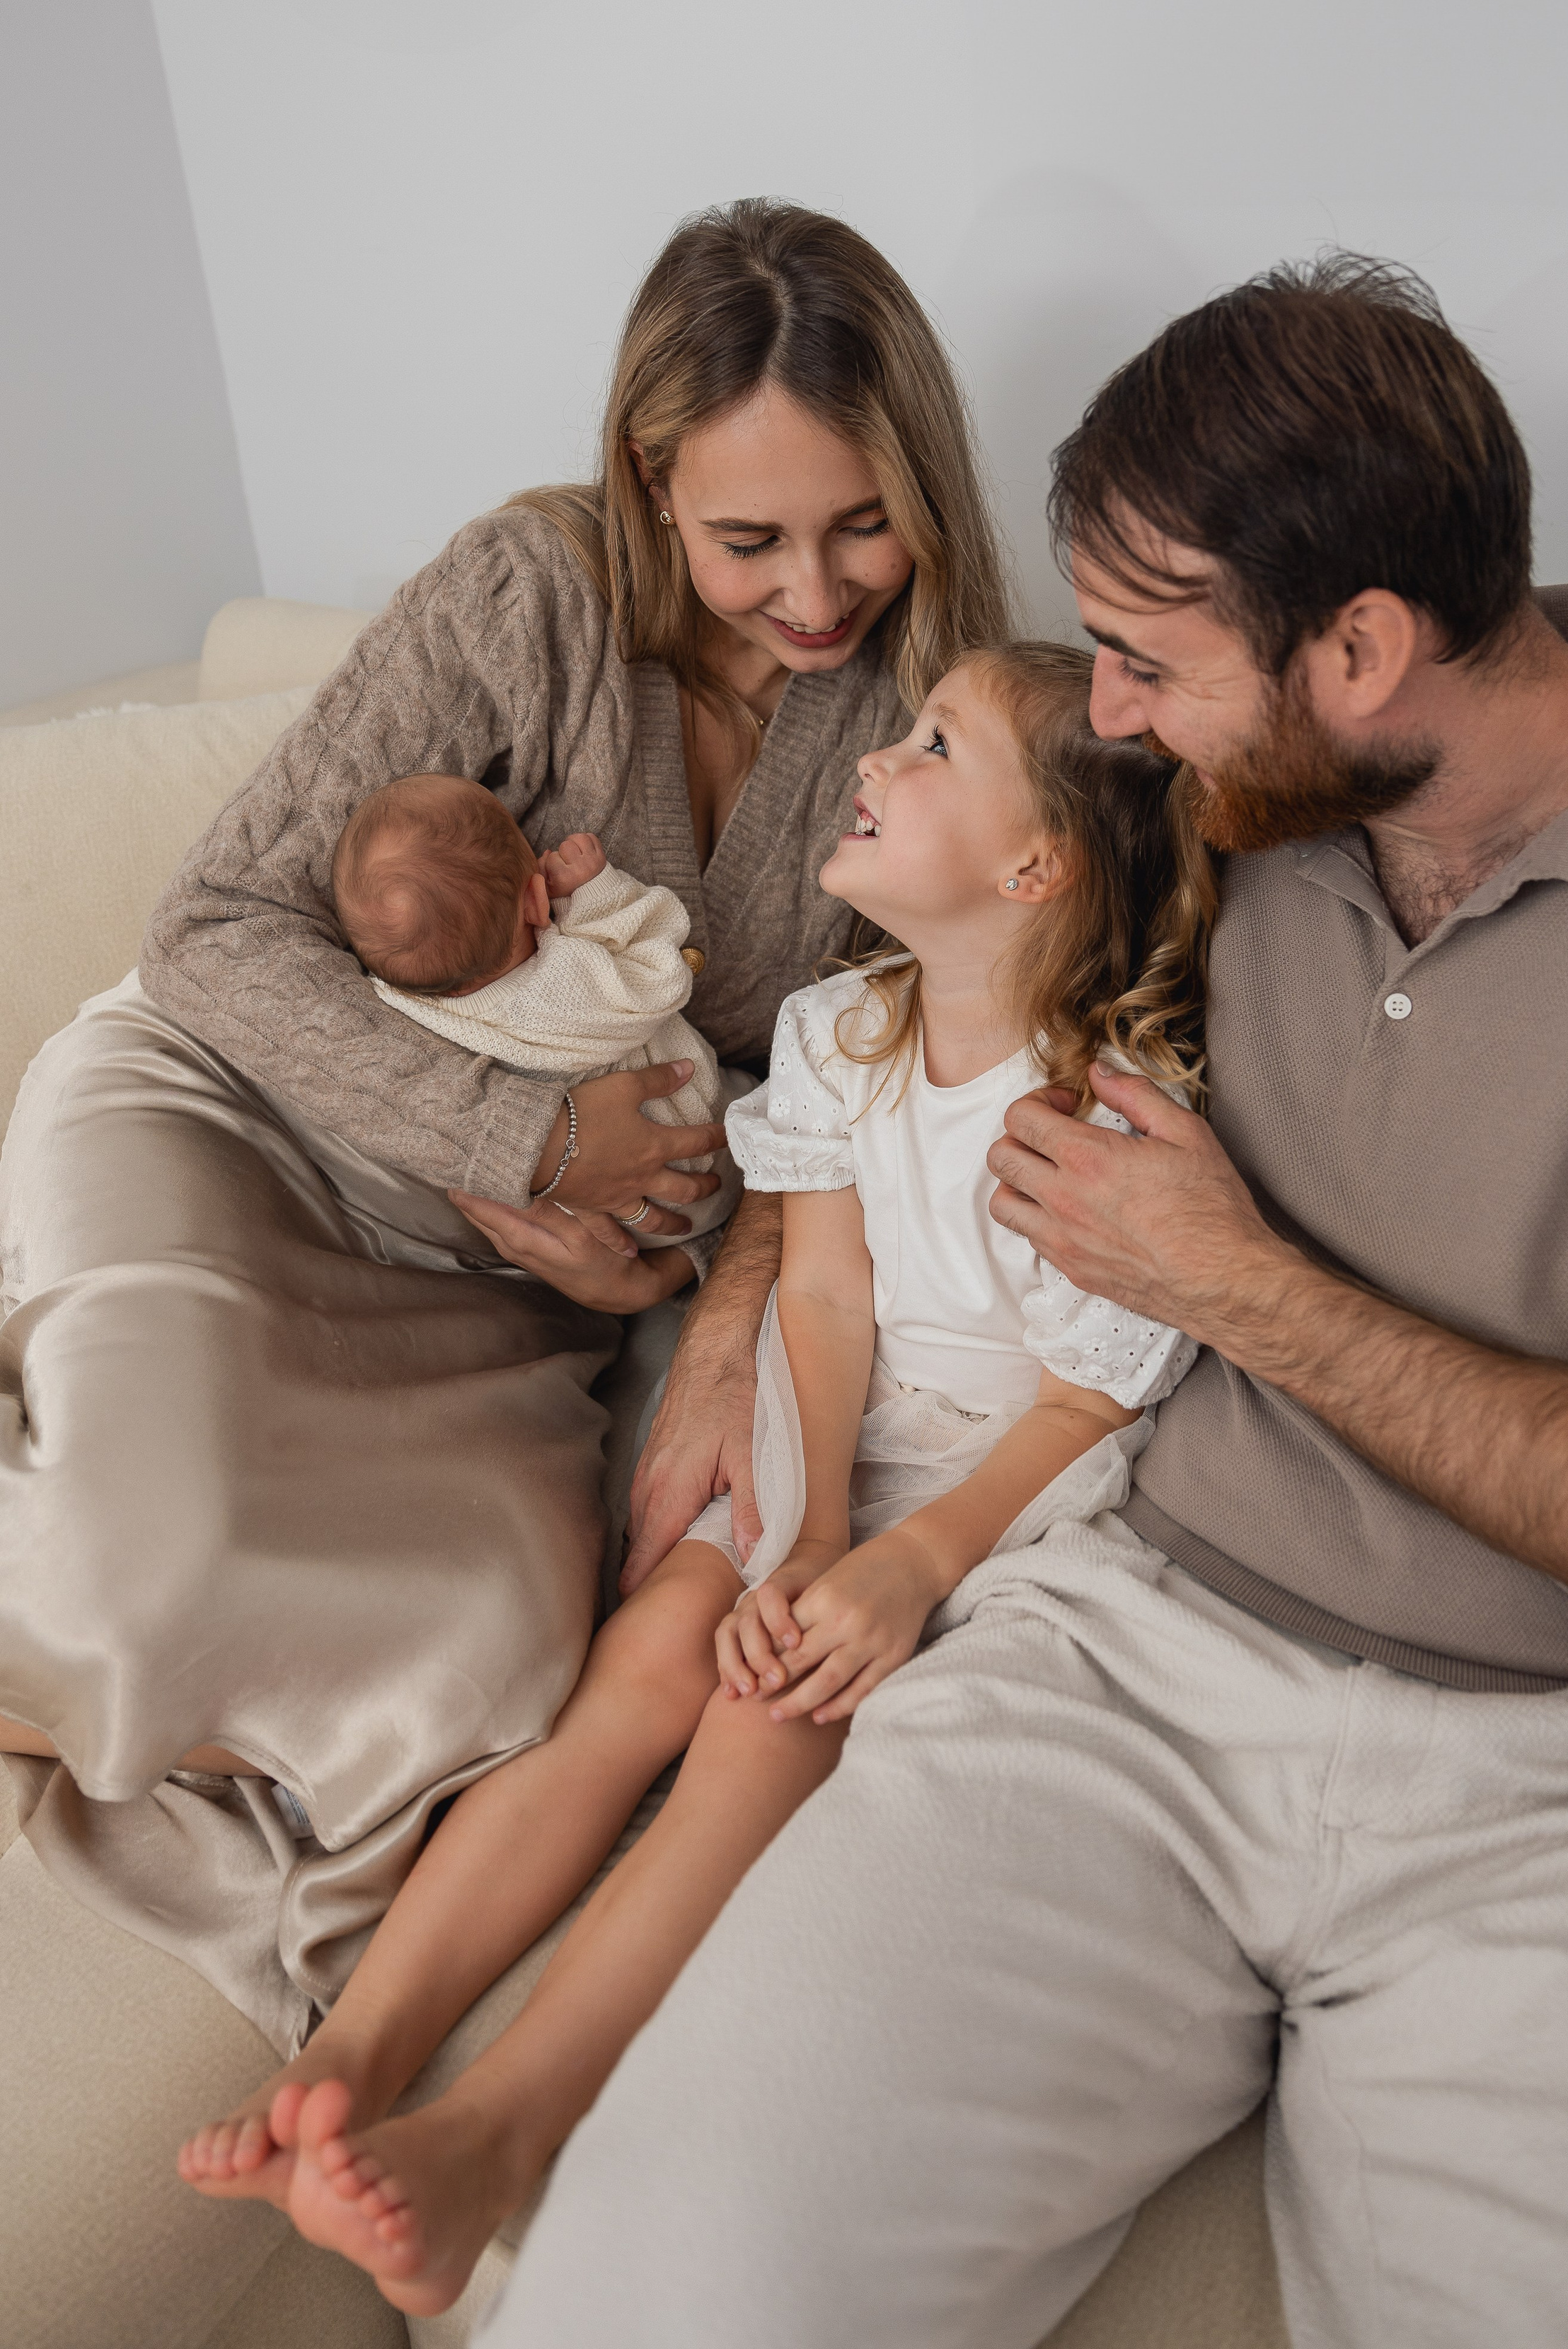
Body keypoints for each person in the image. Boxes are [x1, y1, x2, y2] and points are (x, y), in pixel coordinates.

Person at [483, 258, 1568, 2349]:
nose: (1101, 714)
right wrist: (751, 1273)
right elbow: (888, 1015)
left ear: (1363, 648)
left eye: (1141, 660)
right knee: (646, 2294)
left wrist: (1256, 1296)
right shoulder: (1233, 798)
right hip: (1117, 1655)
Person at [0, 197, 1008, 2348]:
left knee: (481, 1659)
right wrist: (509, 1141)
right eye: (752, 539)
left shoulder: (937, 725)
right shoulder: (526, 593)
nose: (815, 590)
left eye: (862, 528)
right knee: (137, 1553)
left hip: (524, 1289)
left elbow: (832, 1093)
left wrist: (718, 1302)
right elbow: (215, 931)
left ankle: (370, 2054)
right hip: (246, 1125)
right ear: (654, 479)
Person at [176, 642, 1209, 2319]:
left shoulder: (1099, 1108)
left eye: (931, 746)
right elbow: (817, 1296)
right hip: (839, 1437)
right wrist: (795, 1532)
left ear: (1035, 865)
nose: (875, 759)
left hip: (1006, 1502)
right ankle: (352, 2052)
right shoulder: (843, 1034)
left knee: (760, 1713)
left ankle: (504, 2128)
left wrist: (898, 1562)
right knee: (655, 1646)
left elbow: (1087, 1396)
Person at [333, 777, 738, 1264]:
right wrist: (597, 890)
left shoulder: (402, 1006)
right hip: (696, 1165)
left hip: (580, 1226)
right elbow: (660, 977)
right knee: (759, 1091)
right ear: (537, 901)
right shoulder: (571, 982)